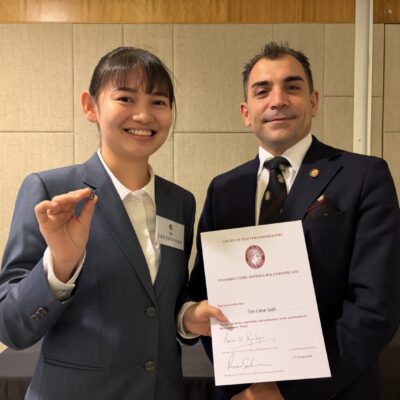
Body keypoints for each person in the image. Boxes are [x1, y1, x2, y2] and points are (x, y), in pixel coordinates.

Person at [182, 42, 400, 399]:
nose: (278, 100)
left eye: (292, 87)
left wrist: (290, 392)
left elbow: (376, 306)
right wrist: (247, 384)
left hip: (336, 391)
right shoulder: (223, 189)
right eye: (262, 91)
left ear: (313, 102)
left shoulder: (364, 177)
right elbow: (203, 291)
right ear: (246, 112)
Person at [0, 47, 196, 400]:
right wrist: (60, 265)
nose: (143, 114)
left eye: (158, 102)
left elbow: (161, 302)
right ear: (90, 106)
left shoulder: (180, 203)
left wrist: (187, 316)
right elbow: (11, 327)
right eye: (125, 98)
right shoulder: (52, 192)